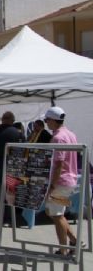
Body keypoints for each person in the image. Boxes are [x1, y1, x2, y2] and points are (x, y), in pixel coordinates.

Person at [43, 106, 80, 255]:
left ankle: (65, 248)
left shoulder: (58, 138)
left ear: (52, 120)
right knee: (57, 213)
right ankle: (74, 242)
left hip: (61, 182)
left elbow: (58, 163)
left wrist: (52, 185)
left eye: (47, 120)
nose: (46, 123)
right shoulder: (71, 134)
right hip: (70, 180)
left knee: (56, 215)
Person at [0, 111, 24, 218]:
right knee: (10, 191)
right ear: (12, 120)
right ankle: (8, 217)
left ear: (2, 119)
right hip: (11, 166)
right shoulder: (17, 133)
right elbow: (22, 152)